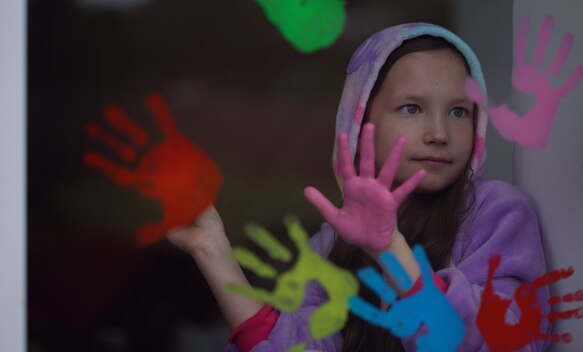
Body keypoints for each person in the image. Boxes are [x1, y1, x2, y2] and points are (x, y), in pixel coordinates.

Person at [167, 23, 549, 351]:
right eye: (412, 108)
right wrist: (212, 249)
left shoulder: (497, 213)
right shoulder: (334, 240)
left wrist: (388, 249)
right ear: (360, 119)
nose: (439, 133)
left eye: (459, 111)